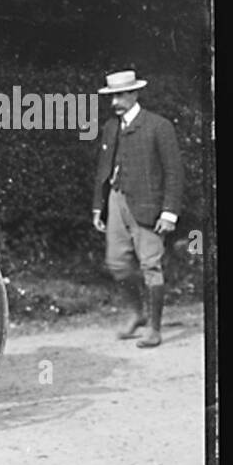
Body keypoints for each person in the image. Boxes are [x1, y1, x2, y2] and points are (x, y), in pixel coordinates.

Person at [90, 69, 184, 348]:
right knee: (117, 263)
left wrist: (169, 212)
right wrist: (98, 207)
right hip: (116, 200)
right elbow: (103, 170)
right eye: (112, 97)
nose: (114, 103)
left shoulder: (158, 126)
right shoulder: (111, 127)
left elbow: (174, 172)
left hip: (148, 204)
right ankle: (136, 313)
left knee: (150, 265)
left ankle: (154, 329)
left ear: (134, 93)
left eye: (120, 95)